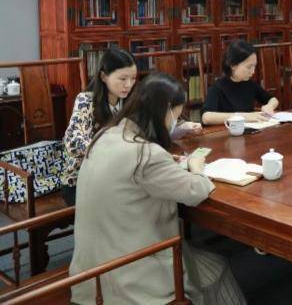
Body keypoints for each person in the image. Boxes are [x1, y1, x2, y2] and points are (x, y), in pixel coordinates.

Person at [69, 73, 246, 305]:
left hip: (89, 271)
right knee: (215, 268)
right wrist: (196, 167)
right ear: (165, 111)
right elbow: (196, 190)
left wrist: (167, 162)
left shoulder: (106, 134)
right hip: (126, 275)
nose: (175, 123)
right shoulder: (146, 154)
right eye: (176, 116)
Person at [61, 48, 172, 206]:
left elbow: (145, 132)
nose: (128, 84)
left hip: (119, 175)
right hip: (82, 180)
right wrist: (116, 151)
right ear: (104, 76)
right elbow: (73, 143)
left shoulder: (130, 100)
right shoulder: (86, 100)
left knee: (157, 192)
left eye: (133, 78)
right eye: (122, 79)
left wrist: (159, 154)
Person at [201, 40, 279, 125]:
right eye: (249, 67)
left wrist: (269, 106)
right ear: (233, 65)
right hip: (227, 131)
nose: (253, 71)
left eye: (254, 66)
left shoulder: (250, 84)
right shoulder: (217, 88)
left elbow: (273, 99)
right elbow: (206, 117)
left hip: (249, 130)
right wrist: (243, 116)